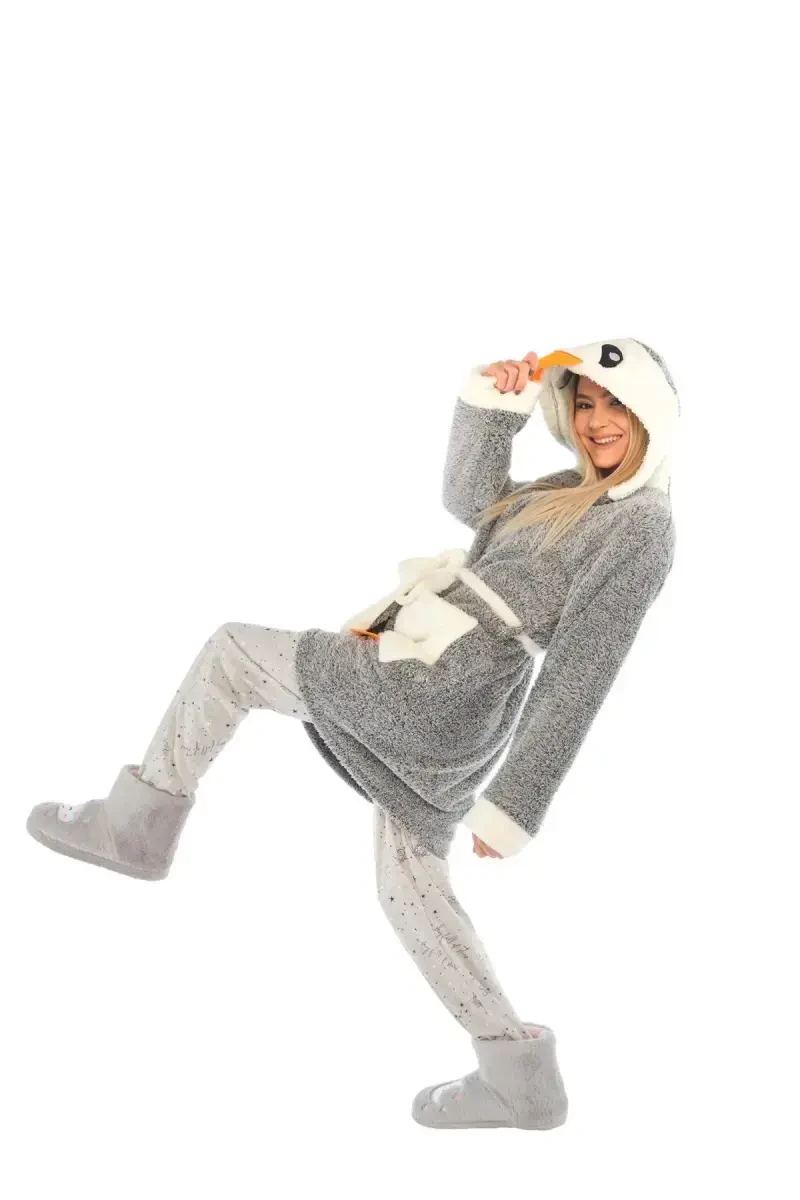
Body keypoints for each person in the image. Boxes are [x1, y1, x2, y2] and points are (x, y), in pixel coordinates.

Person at [26, 338, 679, 1131]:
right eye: (585, 402)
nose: (597, 421)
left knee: (234, 654)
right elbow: (470, 499)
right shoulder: (567, 492)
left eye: (617, 405)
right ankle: (520, 1080)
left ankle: (136, 827)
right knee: (409, 887)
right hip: (450, 696)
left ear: (654, 415)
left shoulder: (642, 528)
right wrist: (492, 409)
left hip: (436, 685)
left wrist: (515, 805)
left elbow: (582, 673)